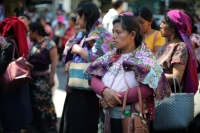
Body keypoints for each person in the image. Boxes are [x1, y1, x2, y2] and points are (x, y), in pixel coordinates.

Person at [84, 13, 171, 133]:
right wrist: (105, 91)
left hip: (131, 119)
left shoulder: (145, 59)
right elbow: (94, 78)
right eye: (113, 31)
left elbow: (147, 89)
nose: (113, 36)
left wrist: (112, 98)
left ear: (132, 35)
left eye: (118, 32)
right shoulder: (109, 56)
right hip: (107, 115)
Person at [59, 1, 114, 133]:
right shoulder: (83, 33)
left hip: (92, 91)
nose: (76, 20)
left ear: (83, 15)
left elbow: (101, 60)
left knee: (87, 124)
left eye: (78, 16)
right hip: (76, 87)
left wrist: (78, 50)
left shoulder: (103, 34)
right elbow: (67, 51)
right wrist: (68, 61)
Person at [154, 10, 199, 132]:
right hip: (158, 99)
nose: (160, 25)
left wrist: (151, 75)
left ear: (173, 28)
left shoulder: (180, 47)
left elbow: (176, 78)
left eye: (163, 22)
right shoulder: (166, 45)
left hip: (170, 102)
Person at [0, 16, 32, 133]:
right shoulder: (20, 42)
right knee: (16, 115)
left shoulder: (9, 45)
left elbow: (1, 65)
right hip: (18, 82)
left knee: (8, 114)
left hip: (9, 84)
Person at [27, 22, 58, 132]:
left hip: (43, 80)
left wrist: (52, 78)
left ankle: (49, 127)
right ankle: (39, 127)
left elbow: (54, 62)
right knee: (35, 104)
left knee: (45, 103)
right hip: (32, 80)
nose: (28, 34)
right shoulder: (33, 44)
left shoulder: (49, 43)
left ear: (35, 32)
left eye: (29, 31)